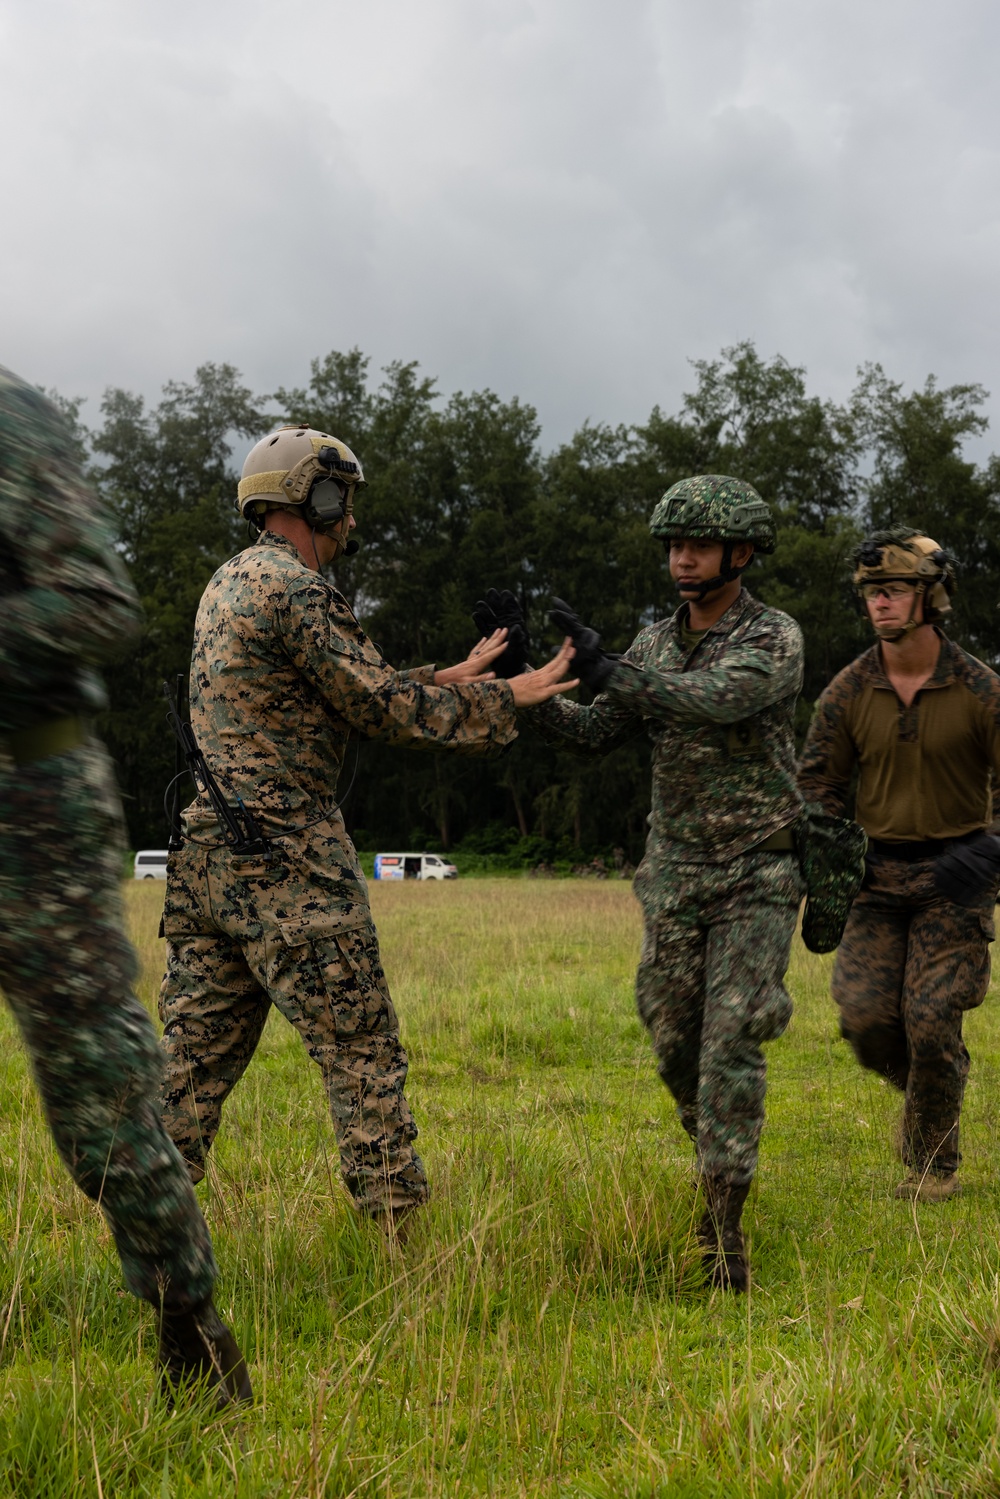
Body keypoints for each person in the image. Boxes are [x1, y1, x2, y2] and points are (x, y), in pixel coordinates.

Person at [158, 425, 576, 1233]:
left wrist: (445, 676)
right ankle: (401, 1245)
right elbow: (383, 710)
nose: (350, 519)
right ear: (313, 496)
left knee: (187, 1069)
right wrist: (511, 697)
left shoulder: (231, 581)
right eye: (342, 499)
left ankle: (143, 1224)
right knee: (362, 1053)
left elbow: (339, 691)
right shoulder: (299, 590)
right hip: (286, 858)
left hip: (211, 856)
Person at [475, 476, 804, 1290]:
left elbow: (717, 701)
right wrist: (519, 675)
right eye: (671, 544)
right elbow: (592, 734)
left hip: (758, 869)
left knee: (731, 1038)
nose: (680, 557)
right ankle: (720, 1149)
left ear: (742, 551)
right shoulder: (654, 643)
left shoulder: (774, 636)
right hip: (675, 873)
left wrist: (610, 669)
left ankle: (721, 1230)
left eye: (696, 544)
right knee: (671, 1040)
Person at [0, 365, 250, 1406]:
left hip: (27, 802)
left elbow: (100, 602)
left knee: (98, 1087)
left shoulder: (9, 420)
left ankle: (187, 1319)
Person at [799, 529, 1000, 1202]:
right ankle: (932, 1090)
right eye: (870, 594)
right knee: (864, 1021)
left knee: (932, 1017)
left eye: (891, 590)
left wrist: (990, 845)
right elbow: (818, 783)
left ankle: (932, 1165)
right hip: (875, 879)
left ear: (930, 596)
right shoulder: (850, 689)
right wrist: (824, 850)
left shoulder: (980, 688)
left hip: (957, 877)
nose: (878, 604)